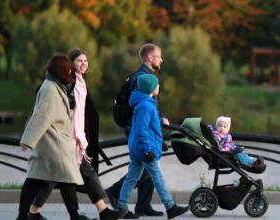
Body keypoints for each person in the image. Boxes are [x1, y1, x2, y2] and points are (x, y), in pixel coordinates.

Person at [28, 49, 127, 220]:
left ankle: (35, 212)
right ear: (71, 63)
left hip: (77, 138)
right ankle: (34, 212)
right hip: (67, 138)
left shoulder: (80, 82)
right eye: (79, 61)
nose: (84, 64)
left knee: (77, 175)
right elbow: (63, 111)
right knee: (58, 177)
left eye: (86, 61)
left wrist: (83, 136)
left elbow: (83, 114)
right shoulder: (69, 83)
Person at [16, 55, 96, 220]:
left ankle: (24, 215)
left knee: (37, 178)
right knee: (64, 178)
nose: (70, 71)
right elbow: (41, 116)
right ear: (61, 69)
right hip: (54, 142)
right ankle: (74, 215)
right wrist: (28, 140)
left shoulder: (53, 86)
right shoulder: (51, 89)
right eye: (68, 68)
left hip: (51, 141)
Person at [105, 43, 170, 219]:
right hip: (138, 128)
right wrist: (159, 117)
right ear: (150, 57)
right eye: (159, 56)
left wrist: (160, 116)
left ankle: (143, 205)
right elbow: (142, 106)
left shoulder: (145, 75)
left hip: (142, 127)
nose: (161, 59)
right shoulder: (142, 77)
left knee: (147, 165)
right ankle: (115, 191)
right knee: (146, 164)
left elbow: (149, 104)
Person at [115, 74, 190, 219]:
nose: (159, 87)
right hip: (144, 149)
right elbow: (141, 130)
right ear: (150, 88)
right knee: (158, 177)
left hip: (139, 148)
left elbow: (149, 128)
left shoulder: (144, 103)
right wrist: (147, 149)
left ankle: (121, 207)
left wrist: (159, 142)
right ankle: (170, 207)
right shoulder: (146, 105)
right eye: (157, 85)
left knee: (132, 178)